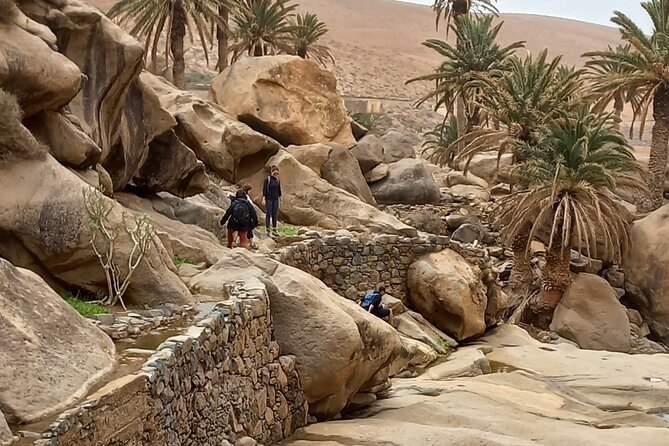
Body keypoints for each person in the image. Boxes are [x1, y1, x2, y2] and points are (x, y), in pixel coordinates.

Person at [262, 166, 282, 236]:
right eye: (274, 173)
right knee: (268, 214)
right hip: (269, 199)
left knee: (274, 215)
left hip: (275, 199)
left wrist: (281, 199)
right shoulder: (267, 180)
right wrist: (264, 199)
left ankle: (274, 230)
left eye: (277, 173)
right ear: (271, 172)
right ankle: (267, 230)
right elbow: (264, 190)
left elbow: (279, 190)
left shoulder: (278, 180)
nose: (276, 174)